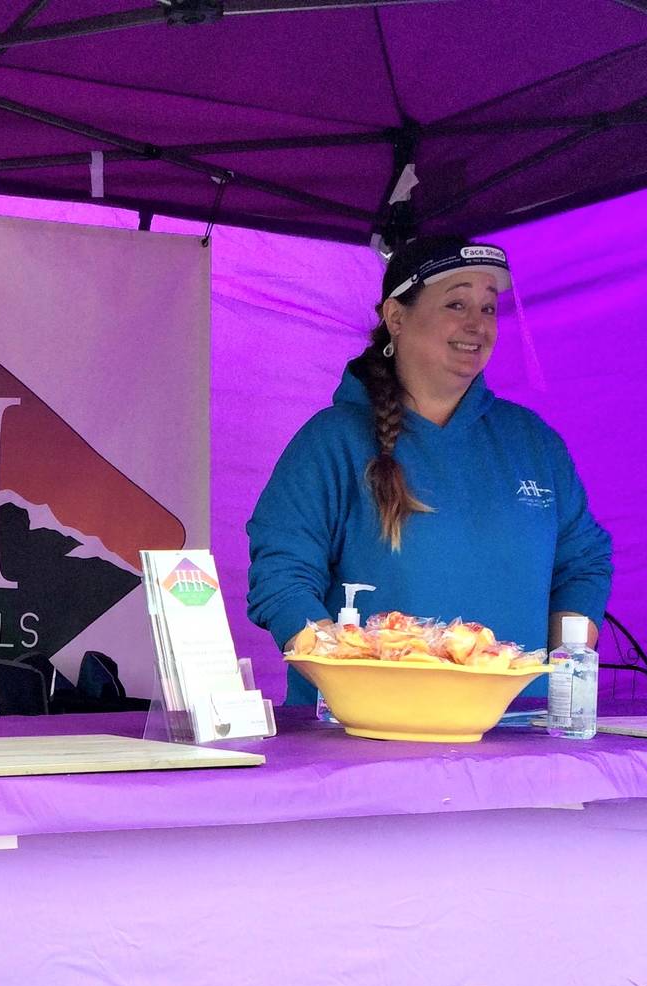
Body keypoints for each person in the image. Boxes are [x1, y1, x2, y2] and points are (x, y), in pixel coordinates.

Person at [246, 235, 613, 705]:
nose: (477, 326)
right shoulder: (331, 441)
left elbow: (583, 564)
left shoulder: (533, 442)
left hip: (517, 740)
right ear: (396, 317)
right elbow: (282, 576)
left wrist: (565, 676)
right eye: (456, 304)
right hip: (367, 740)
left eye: (487, 309)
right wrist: (346, 682)